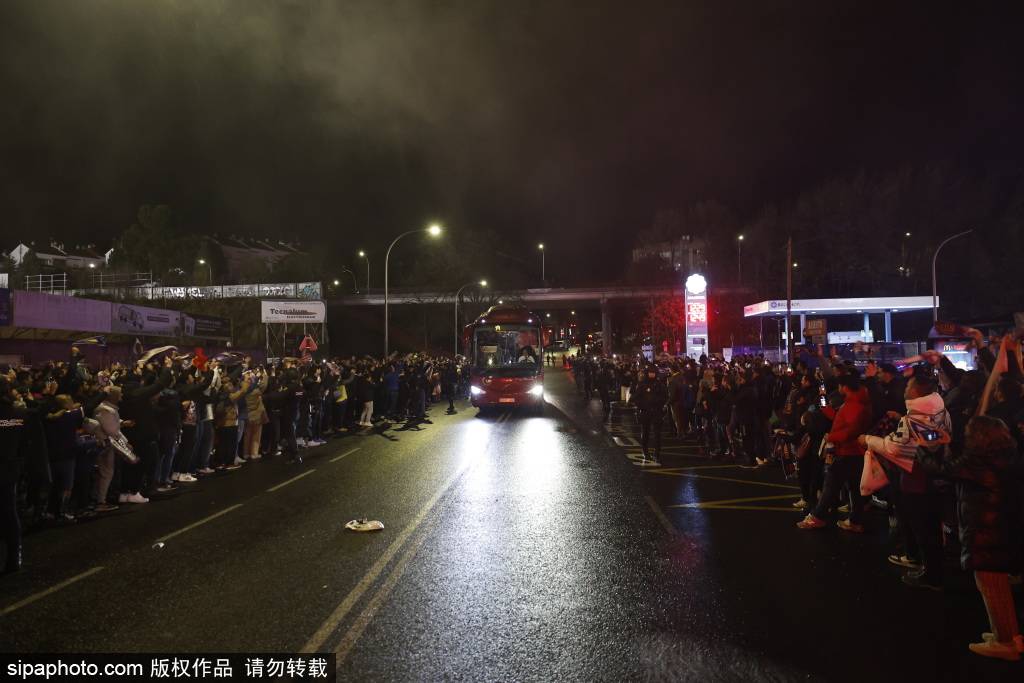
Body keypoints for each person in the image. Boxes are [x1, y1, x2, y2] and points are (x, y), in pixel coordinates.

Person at [917, 415, 1023, 660]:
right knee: (999, 586)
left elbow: (940, 470)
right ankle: (1009, 634)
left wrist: (922, 449)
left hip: (985, 532)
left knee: (990, 587)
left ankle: (1004, 642)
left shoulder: (976, 462)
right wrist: (947, 444)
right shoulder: (1006, 456)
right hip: (1002, 529)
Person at [797, 374, 872, 531]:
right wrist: (824, 405)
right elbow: (841, 418)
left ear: (844, 387)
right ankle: (855, 521)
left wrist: (831, 437)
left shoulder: (854, 405)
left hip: (846, 451)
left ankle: (818, 517)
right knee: (853, 488)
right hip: (853, 452)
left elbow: (851, 431)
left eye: (839, 386)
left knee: (831, 485)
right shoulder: (855, 402)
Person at [631, 364, 667, 463]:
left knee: (657, 434)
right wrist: (642, 405)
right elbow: (636, 398)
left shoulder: (660, 384)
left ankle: (657, 453)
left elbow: (664, 397)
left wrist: (658, 403)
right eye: (650, 372)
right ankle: (645, 451)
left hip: (656, 412)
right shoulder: (642, 384)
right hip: (645, 412)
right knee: (645, 433)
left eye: (653, 373)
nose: (652, 374)